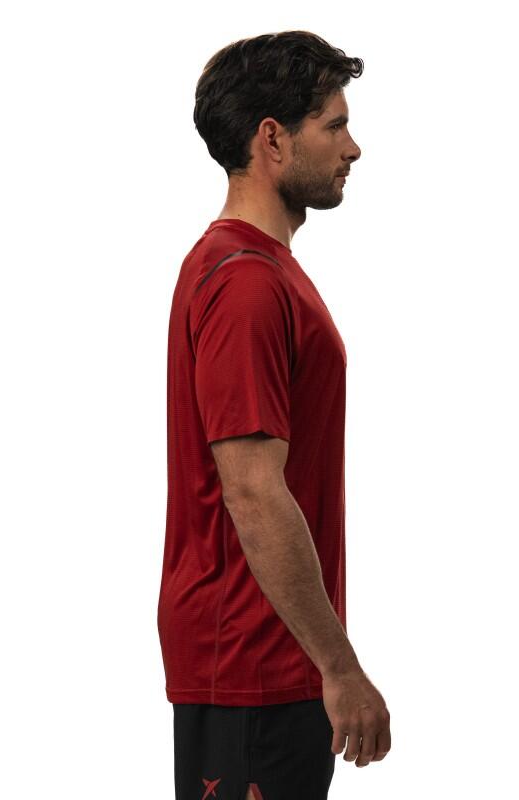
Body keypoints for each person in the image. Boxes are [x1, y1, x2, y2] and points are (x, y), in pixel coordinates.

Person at [157, 30, 392, 799]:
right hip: (251, 663)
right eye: (334, 125)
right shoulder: (246, 283)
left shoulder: (258, 269)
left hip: (267, 661)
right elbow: (253, 491)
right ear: (272, 139)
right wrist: (340, 666)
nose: (352, 148)